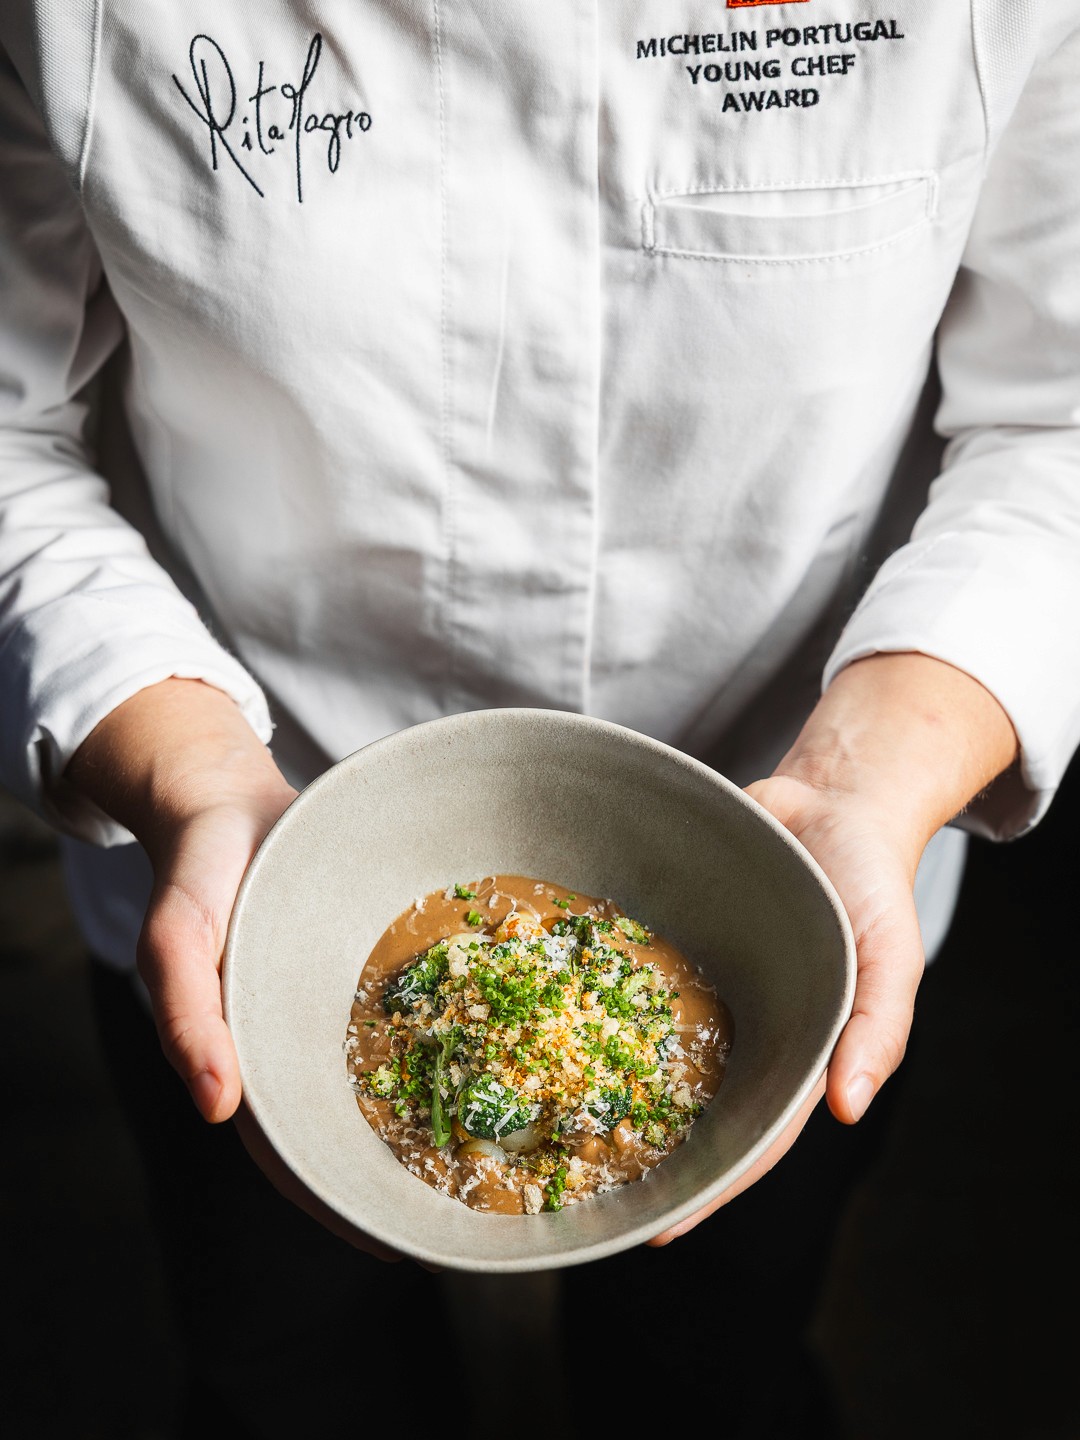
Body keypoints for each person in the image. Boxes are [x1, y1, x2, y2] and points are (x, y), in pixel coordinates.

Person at [2, 4, 1077, 1436]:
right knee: (286, 1371)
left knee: (710, 1368)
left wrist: (880, 772)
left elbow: (1053, 420)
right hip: (232, 868)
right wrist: (184, 765)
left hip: (807, 857)